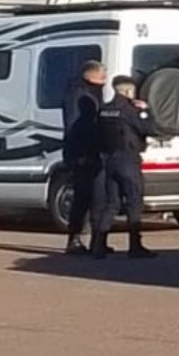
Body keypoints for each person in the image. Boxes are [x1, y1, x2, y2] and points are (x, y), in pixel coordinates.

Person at [94, 75, 160, 259]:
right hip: (128, 160)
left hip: (109, 161)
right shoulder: (130, 110)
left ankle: (98, 245)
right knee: (134, 203)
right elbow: (149, 129)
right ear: (128, 91)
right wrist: (147, 111)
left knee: (112, 204)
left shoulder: (104, 110)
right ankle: (135, 246)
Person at [61, 60, 108, 255]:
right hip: (82, 154)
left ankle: (96, 240)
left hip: (92, 153)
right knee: (82, 198)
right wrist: (80, 154)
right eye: (102, 76)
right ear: (91, 75)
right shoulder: (78, 94)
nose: (105, 81)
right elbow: (74, 126)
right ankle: (75, 239)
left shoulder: (89, 93)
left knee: (95, 198)